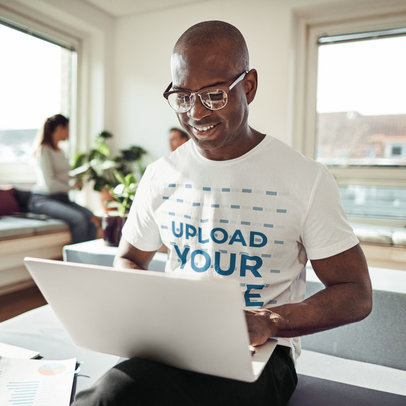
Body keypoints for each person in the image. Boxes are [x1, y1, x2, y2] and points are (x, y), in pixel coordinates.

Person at [73, 21, 372, 405]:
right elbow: (130, 258)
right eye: (182, 96)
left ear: (248, 86)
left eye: (213, 95)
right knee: (109, 395)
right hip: (175, 340)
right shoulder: (160, 175)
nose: (195, 113)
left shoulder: (305, 179)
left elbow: (356, 294)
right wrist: (150, 313)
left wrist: (269, 320)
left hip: (263, 353)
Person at [28, 114, 98, 244]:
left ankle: (89, 258)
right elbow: (50, 184)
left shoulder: (60, 150)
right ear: (60, 128)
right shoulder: (44, 150)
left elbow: (65, 174)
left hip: (62, 198)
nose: (69, 132)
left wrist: (83, 171)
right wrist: (72, 187)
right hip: (43, 199)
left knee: (91, 217)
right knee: (79, 219)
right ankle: (76, 261)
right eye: (68, 128)